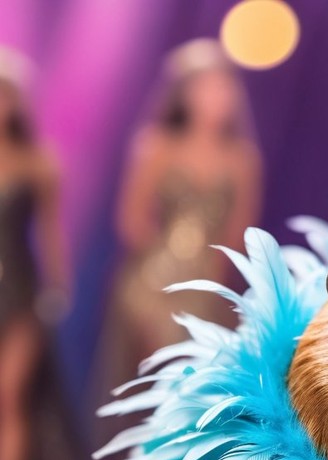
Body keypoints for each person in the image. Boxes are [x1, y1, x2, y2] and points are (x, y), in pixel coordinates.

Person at [95, 39, 262, 419]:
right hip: (149, 283)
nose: (216, 97)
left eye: (223, 86)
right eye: (205, 86)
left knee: (191, 392)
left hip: (204, 287)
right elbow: (131, 220)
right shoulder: (156, 146)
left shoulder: (242, 161)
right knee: (151, 384)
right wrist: (163, 271)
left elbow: (239, 234)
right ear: (183, 94)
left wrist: (205, 280)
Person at [0, 47, 71, 460]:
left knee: (9, 396)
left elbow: (49, 231)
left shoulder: (38, 163)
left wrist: (58, 286)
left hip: (20, 292)